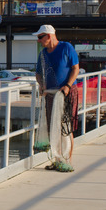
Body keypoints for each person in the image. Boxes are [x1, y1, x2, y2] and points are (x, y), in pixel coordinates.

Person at [34, 24, 80, 172]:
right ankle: (57, 159)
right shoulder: (43, 54)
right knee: (52, 128)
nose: (39, 41)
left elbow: (75, 68)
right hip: (50, 94)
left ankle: (67, 160)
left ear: (49, 36)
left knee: (66, 128)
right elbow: (38, 74)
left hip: (66, 92)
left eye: (41, 37)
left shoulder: (66, 48)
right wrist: (41, 85)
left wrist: (67, 85)